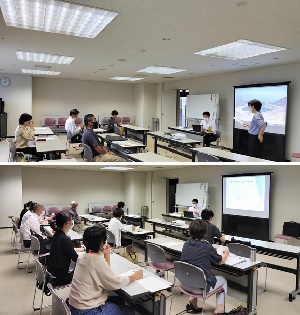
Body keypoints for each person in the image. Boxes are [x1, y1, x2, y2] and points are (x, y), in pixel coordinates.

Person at [68, 225, 143, 315]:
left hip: (76, 305)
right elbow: (114, 283)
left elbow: (104, 274)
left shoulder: (83, 256)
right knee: (129, 311)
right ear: (101, 244)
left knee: (119, 300)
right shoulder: (96, 260)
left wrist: (106, 254)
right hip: (87, 310)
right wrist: (135, 276)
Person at [181, 220, 229, 315]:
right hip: (200, 287)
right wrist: (226, 254)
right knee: (223, 280)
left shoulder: (186, 243)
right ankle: (219, 310)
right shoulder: (206, 246)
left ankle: (193, 301)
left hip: (185, 284)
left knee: (199, 274)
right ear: (205, 232)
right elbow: (220, 261)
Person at [47, 211, 84, 286]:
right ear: (67, 223)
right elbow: (76, 259)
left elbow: (67, 250)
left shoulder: (57, 234)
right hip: (62, 277)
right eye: (71, 220)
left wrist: (83, 249)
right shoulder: (65, 239)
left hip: (53, 272)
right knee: (85, 270)